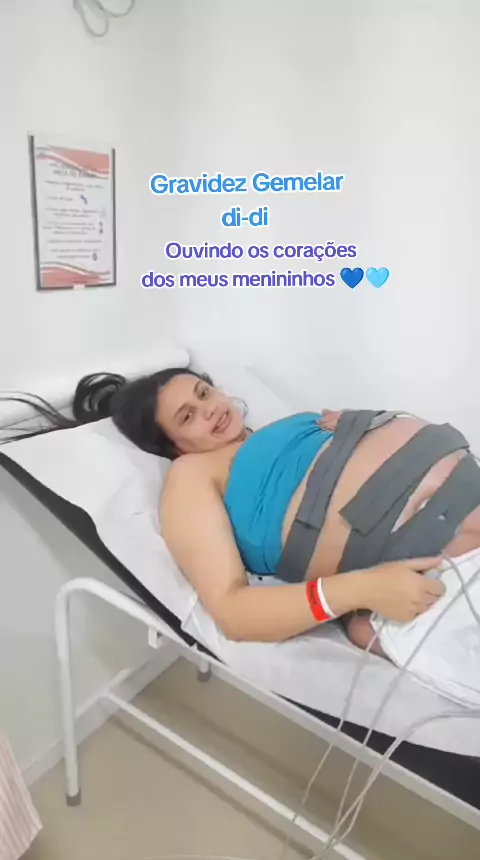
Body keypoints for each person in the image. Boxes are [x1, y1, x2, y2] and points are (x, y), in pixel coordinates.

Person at [6, 367, 480, 655]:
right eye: (187, 416)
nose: (209, 410)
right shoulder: (193, 475)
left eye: (203, 394)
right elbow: (232, 610)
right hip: (444, 554)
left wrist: (361, 427)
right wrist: (362, 589)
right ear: (171, 445)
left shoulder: (281, 428)